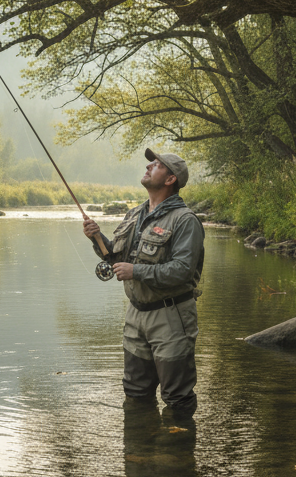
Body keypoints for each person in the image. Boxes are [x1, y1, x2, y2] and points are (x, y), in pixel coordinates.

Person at [83, 148, 205, 417]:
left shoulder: (185, 221)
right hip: (135, 315)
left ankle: (177, 452)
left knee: (177, 397)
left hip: (171, 316)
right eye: (150, 163)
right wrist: (97, 237)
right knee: (135, 392)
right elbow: (116, 257)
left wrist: (136, 271)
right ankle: (138, 455)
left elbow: (183, 271)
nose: (149, 166)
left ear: (171, 179)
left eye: (157, 165)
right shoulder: (135, 215)